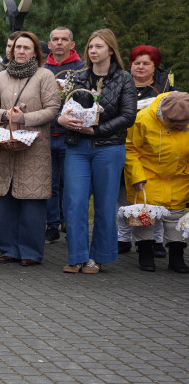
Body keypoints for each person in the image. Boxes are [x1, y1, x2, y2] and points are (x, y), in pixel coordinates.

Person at [58, 29, 137, 274]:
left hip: (109, 148)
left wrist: (98, 131)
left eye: (99, 47)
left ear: (111, 50)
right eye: (91, 47)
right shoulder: (76, 76)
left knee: (104, 205)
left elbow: (128, 116)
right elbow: (65, 108)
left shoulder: (124, 78)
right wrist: (62, 120)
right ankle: (77, 256)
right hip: (77, 148)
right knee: (75, 202)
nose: (93, 51)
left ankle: (98, 257)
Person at [0, 31, 61, 266]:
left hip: (33, 148)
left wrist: (24, 118)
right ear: (12, 50)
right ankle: (8, 249)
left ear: (35, 52)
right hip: (6, 146)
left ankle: (30, 252)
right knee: (6, 199)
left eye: (27, 48)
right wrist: (6, 114)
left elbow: (52, 108)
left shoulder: (44, 76)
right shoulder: (2, 77)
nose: (21, 51)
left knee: (32, 201)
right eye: (18, 47)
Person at [124, 92, 189, 272]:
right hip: (148, 177)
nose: (180, 127)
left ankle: (177, 258)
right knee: (146, 218)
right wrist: (137, 177)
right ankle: (145, 254)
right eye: (175, 124)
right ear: (163, 115)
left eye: (183, 124)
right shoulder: (142, 119)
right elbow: (131, 150)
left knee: (175, 218)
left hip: (179, 177)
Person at [44, 27, 85, 243]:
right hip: (48, 133)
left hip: (72, 134)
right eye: (55, 39)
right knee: (50, 183)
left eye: (64, 39)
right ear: (49, 45)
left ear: (72, 44)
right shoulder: (42, 69)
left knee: (71, 183)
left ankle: (70, 223)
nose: (60, 43)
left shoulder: (82, 68)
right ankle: (51, 224)